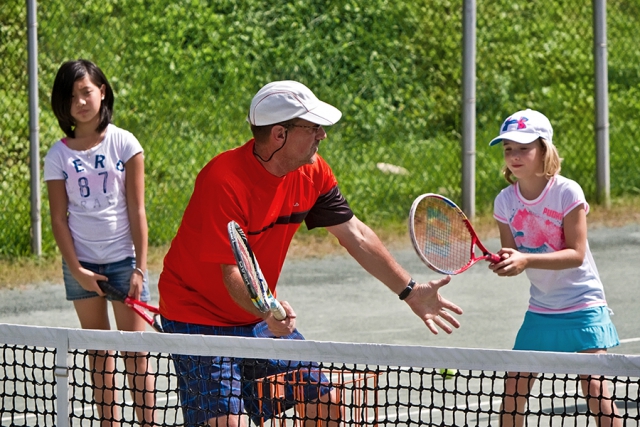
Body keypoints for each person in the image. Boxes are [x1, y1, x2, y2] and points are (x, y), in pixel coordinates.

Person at [157, 80, 464, 426]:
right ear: (279, 135)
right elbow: (230, 273)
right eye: (313, 127)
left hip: (259, 317)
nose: (323, 135)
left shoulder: (312, 172)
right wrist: (268, 310)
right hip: (198, 318)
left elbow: (355, 234)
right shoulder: (223, 181)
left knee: (324, 399)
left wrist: (409, 291)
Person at [487, 109, 621, 427]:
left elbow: (576, 253)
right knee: (514, 389)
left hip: (583, 304)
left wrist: (526, 260)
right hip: (542, 309)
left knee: (595, 389)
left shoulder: (567, 192)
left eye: (523, 148)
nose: (514, 156)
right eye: (508, 149)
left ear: (544, 149)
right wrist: (506, 262)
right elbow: (515, 255)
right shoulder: (504, 202)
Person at [44, 59, 156, 426]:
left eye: (87, 91)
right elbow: (59, 218)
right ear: (63, 103)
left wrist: (140, 267)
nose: (81, 101)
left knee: (136, 356)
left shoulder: (125, 142)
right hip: (83, 266)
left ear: (102, 92)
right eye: (71, 95)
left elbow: (137, 209)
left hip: (125, 263)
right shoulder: (57, 156)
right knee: (99, 352)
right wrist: (77, 269)